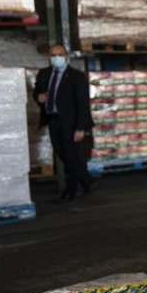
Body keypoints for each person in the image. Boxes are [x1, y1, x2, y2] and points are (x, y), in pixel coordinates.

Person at [33, 45, 96, 203]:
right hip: (52, 120)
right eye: (53, 55)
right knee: (62, 154)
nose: (56, 58)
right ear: (49, 57)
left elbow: (83, 104)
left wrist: (80, 128)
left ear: (66, 57)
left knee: (71, 156)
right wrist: (39, 97)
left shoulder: (76, 76)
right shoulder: (44, 74)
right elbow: (37, 92)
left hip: (71, 122)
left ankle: (70, 191)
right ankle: (88, 181)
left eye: (59, 55)